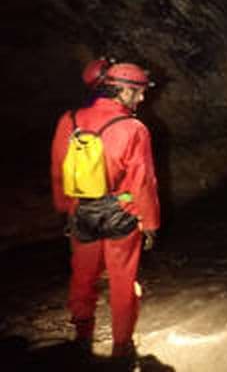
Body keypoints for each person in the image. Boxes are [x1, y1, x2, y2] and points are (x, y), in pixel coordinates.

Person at [50, 61, 160, 362]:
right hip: (120, 212)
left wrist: (64, 209)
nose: (141, 99)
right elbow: (143, 182)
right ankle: (122, 345)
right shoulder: (133, 128)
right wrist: (149, 222)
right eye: (137, 93)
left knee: (82, 276)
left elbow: (59, 170)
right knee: (122, 280)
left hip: (81, 211)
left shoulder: (69, 120)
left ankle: (82, 338)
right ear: (121, 90)